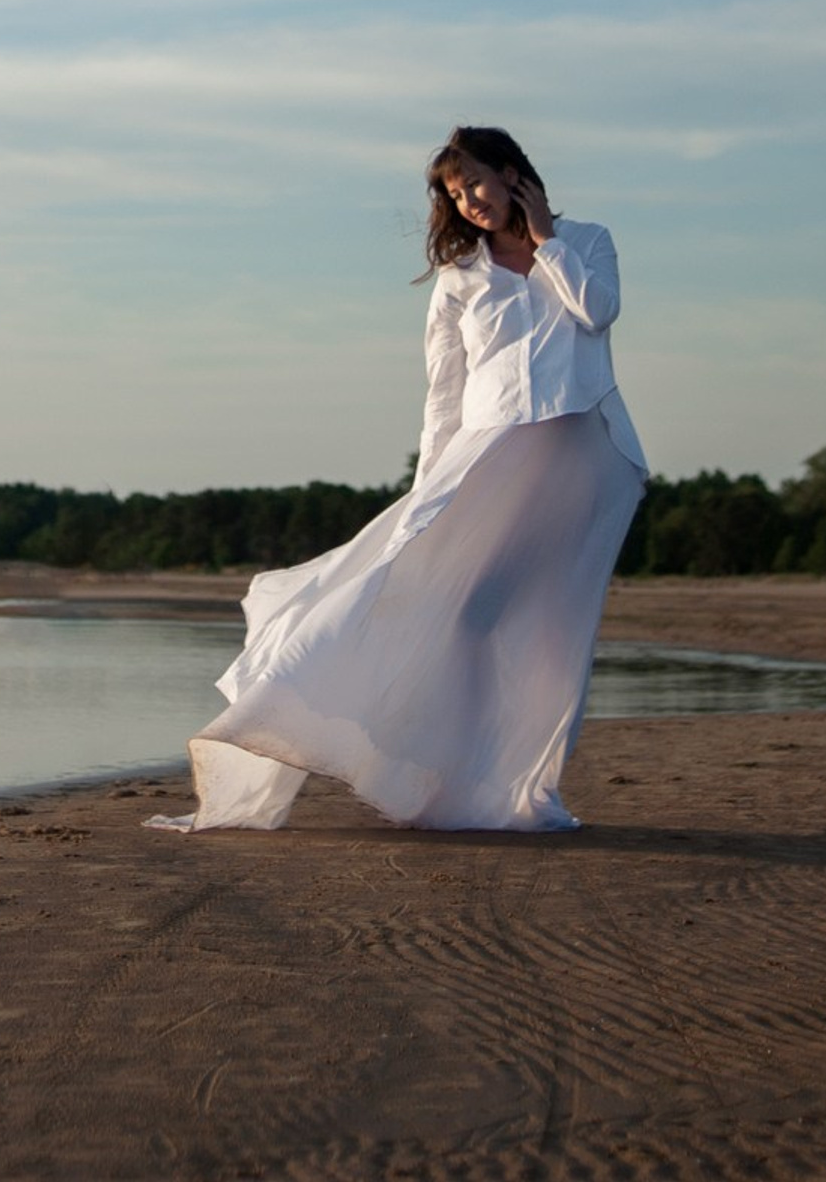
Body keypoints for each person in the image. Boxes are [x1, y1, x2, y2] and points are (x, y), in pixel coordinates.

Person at [149, 125, 647, 834]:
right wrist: (428, 486)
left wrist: (546, 241)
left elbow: (597, 312)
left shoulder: (586, 242)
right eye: (454, 193)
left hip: (577, 466)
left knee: (553, 630)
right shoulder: (459, 278)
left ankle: (520, 789)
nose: (468, 201)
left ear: (513, 174)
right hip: (486, 463)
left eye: (475, 182)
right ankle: (444, 776)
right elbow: (445, 393)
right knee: (453, 612)